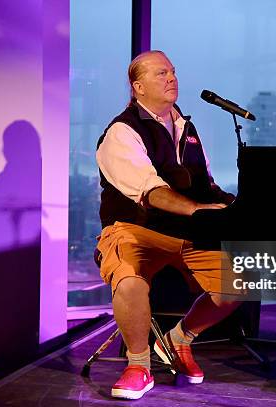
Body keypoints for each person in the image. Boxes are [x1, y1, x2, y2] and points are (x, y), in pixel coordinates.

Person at [95, 50, 241, 400]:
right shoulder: (122, 131)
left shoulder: (185, 127)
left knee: (238, 284)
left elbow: (205, 184)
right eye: (161, 73)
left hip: (184, 233)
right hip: (134, 228)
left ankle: (178, 341)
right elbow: (152, 191)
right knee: (130, 282)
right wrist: (199, 210)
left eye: (173, 72)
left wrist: (235, 206)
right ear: (138, 86)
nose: (172, 78)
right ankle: (138, 366)